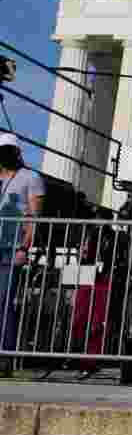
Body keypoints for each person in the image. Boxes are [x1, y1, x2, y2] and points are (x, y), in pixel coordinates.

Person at [0, 132, 44, 373]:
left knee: (4, 301)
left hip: (12, 248)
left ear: (17, 152)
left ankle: (4, 358)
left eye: (8, 150)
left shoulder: (31, 178)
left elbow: (34, 218)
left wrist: (25, 247)